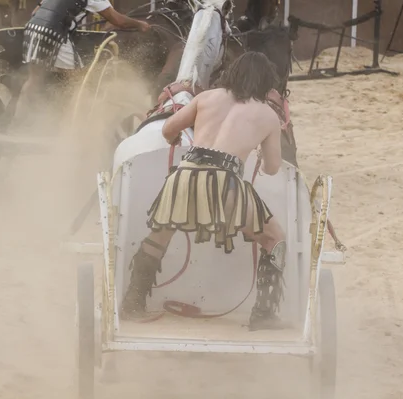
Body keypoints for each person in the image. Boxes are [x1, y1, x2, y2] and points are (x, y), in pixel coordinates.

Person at [120, 51, 288, 331]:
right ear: (266, 82)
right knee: (275, 239)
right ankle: (264, 314)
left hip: (185, 176)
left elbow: (168, 130)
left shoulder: (206, 98)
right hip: (227, 183)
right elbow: (272, 168)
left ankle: (133, 303)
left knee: (158, 237)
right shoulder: (267, 115)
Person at [18, 0, 150, 111]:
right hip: (55, 34)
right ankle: (70, 127)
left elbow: (35, 12)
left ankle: (16, 120)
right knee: (80, 83)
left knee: (34, 79)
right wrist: (140, 24)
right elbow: (118, 20)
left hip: (33, 30)